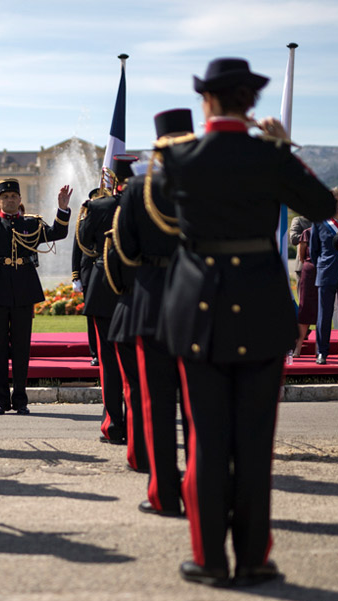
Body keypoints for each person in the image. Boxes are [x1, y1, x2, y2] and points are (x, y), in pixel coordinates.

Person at [158, 57, 335, 587]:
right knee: (255, 444)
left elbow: (165, 213)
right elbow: (324, 203)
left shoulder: (181, 157)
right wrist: (281, 149)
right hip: (260, 309)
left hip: (200, 312)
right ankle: (254, 558)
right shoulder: (269, 157)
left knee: (208, 444)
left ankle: (210, 559)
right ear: (251, 104)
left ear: (207, 100)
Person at [110, 108, 195, 517]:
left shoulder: (139, 188)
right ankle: (199, 488)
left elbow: (124, 249)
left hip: (150, 300)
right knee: (198, 409)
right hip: (198, 300)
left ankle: (163, 492)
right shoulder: (210, 186)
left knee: (156, 405)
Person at [0, 178, 73, 415]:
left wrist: (62, 209)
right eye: (5, 197)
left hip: (24, 290)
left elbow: (57, 232)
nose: (10, 200)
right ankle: (1, 399)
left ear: (20, 200)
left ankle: (21, 399)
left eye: (14, 197)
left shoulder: (31, 223)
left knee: (22, 348)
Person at [79, 156, 136, 447]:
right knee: (137, 361)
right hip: (138, 291)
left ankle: (114, 424)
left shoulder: (97, 206)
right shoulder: (148, 206)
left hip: (105, 289)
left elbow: (84, 241)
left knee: (109, 362)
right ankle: (139, 425)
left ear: (111, 182)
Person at [309, 188, 338, 364]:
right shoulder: (319, 222)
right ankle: (322, 352)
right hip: (326, 273)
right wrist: (322, 266)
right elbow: (314, 251)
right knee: (324, 315)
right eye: (334, 201)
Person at [71, 189, 101, 367]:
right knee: (91, 316)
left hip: (108, 271)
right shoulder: (82, 221)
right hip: (89, 272)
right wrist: (76, 275)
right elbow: (77, 249)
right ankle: (95, 352)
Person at [289, 215, 315, 362]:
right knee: (304, 305)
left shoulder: (324, 219)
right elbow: (293, 238)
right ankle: (300, 338)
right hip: (304, 266)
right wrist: (311, 234)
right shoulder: (299, 221)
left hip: (322, 266)